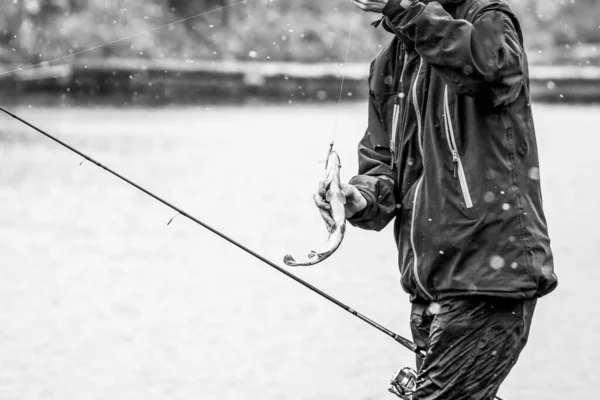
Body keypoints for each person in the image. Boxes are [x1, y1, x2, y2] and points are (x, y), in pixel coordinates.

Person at [314, 0, 558, 398]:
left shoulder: (488, 21)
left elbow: (487, 71)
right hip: (429, 292)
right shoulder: (390, 63)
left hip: (489, 280)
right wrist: (357, 197)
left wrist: (407, 10)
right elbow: (384, 167)